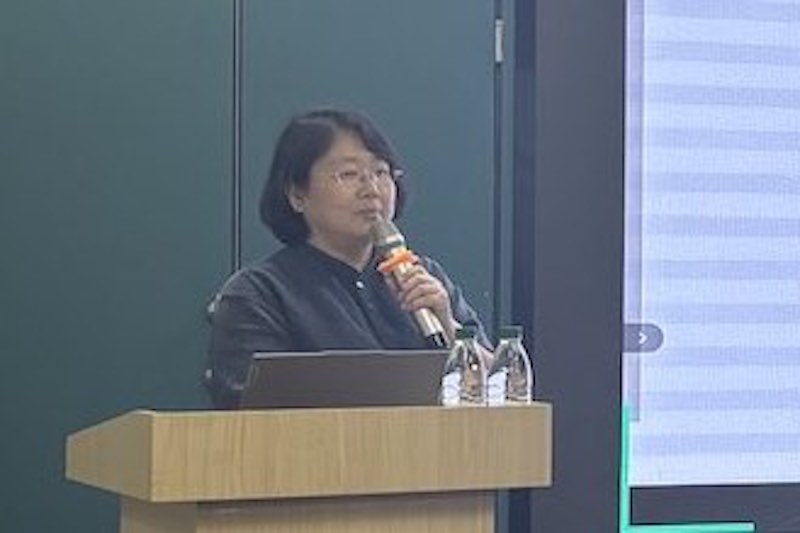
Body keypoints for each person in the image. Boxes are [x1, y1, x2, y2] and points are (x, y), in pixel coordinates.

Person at [205, 108, 489, 408]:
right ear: (297, 194)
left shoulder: (424, 276)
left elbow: (502, 387)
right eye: (349, 175)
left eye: (381, 172)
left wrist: (448, 324)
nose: (372, 190)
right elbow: (248, 410)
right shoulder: (261, 292)